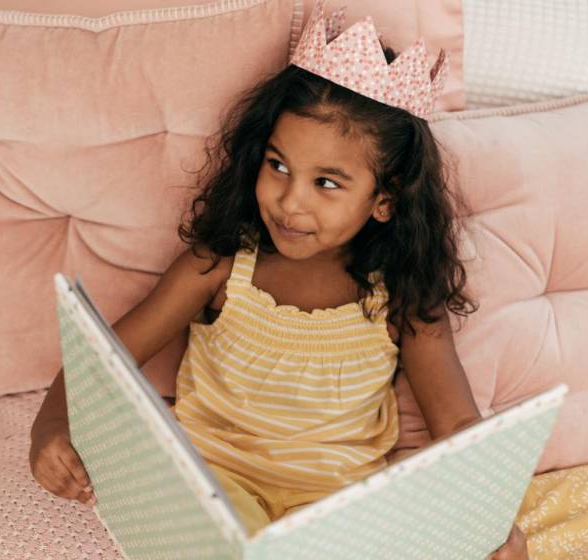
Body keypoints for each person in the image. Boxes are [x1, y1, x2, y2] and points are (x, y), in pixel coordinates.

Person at [30, 2, 528, 557]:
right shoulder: (219, 266)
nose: (290, 202)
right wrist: (48, 425)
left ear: (384, 200)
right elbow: (101, 360)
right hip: (214, 485)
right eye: (279, 166)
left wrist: (493, 514)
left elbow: (458, 423)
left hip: (340, 503)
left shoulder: (404, 297)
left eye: (328, 184)